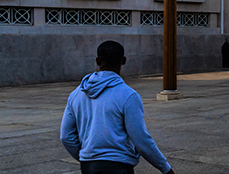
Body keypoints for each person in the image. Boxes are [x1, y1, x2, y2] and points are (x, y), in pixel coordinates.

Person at [60, 41, 175, 174]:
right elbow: (141, 139)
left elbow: (66, 136)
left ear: (97, 61)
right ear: (124, 60)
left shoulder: (76, 94)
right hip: (118, 166)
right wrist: (165, 168)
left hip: (88, 166)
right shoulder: (128, 95)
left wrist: (87, 157)